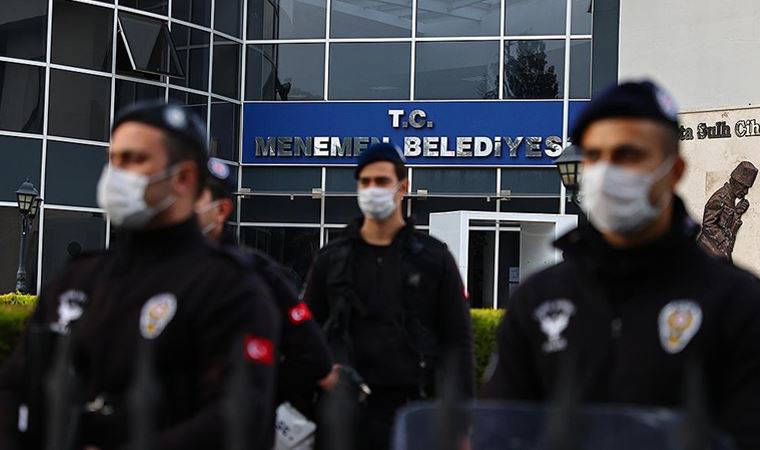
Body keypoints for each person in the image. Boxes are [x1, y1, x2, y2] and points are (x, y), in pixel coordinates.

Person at [482, 81, 760, 449]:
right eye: (595, 155)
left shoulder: (737, 302)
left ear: (674, 170)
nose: (608, 172)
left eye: (628, 155)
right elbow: (499, 430)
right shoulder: (538, 299)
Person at [0, 102, 281, 450]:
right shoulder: (77, 279)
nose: (118, 174)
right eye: (114, 159)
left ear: (184, 178)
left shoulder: (231, 288)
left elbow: (237, 418)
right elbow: (15, 387)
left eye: (135, 160)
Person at [301, 142, 475, 450]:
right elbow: (305, 333)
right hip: (342, 417)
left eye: (381, 181)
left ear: (402, 187)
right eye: (365, 182)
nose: (372, 189)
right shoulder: (332, 259)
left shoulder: (434, 258)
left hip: (413, 413)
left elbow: (457, 344)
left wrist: (460, 424)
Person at [195, 158, 336, 416]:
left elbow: (313, 356)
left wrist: (261, 394)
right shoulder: (148, 267)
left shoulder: (258, 275)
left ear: (222, 209)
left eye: (196, 197)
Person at [697, 161, 758, 260]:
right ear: (734, 182)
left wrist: (737, 212)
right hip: (708, 248)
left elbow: (725, 222)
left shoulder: (730, 198)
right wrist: (723, 240)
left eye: (747, 188)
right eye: (744, 187)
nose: (746, 192)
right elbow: (708, 224)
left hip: (719, 248)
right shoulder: (720, 198)